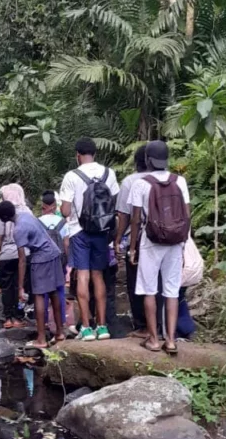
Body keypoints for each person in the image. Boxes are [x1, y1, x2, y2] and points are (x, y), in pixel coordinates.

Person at [128, 140, 191, 355]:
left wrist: (133, 247)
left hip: (151, 241)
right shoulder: (180, 181)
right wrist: (184, 244)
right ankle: (171, 340)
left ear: (147, 160)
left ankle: (153, 339)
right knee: (172, 291)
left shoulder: (141, 183)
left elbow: (135, 220)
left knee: (148, 290)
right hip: (175, 242)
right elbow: (187, 215)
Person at [60, 137, 119, 341]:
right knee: (99, 276)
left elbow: (66, 211)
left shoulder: (71, 176)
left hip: (79, 232)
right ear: (95, 153)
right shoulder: (108, 173)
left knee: (82, 277)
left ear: (77, 155)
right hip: (102, 232)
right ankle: (102, 327)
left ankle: (86, 327)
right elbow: (114, 202)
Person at [0, 200, 65, 350]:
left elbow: (21, 260)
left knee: (39, 296)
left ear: (4, 218)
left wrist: (20, 287)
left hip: (41, 258)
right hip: (54, 252)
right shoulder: (26, 215)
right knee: (53, 292)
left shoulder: (18, 230)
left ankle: (41, 339)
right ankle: (60, 332)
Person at [114, 145, 149, 336]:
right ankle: (162, 325)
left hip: (137, 239)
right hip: (166, 238)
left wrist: (118, 238)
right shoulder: (170, 179)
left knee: (136, 281)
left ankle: (141, 324)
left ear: (136, 163)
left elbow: (124, 215)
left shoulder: (130, 181)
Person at [0, 184, 32, 329]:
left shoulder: (2, 210)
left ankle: (8, 318)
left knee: (7, 288)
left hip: (6, 255)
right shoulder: (27, 211)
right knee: (22, 287)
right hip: (25, 253)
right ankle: (19, 316)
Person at [38, 191, 70, 331]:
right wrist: (67, 261)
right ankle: (61, 321)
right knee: (60, 290)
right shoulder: (62, 222)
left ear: (43, 206)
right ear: (55, 206)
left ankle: (43, 322)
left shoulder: (38, 222)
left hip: (42, 260)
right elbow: (66, 243)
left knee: (42, 291)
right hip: (59, 259)